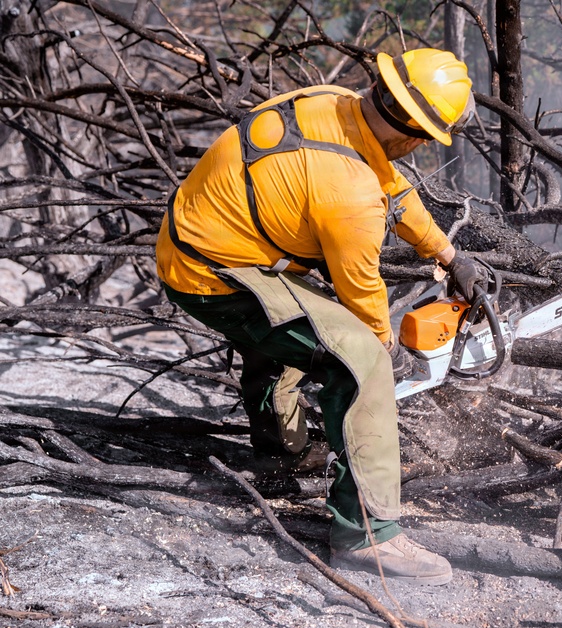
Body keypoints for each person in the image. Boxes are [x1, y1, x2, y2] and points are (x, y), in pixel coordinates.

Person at [155, 48, 486, 586]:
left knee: (302, 322)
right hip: (210, 276)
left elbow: (394, 189)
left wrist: (447, 256)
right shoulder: (350, 195)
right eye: (426, 139)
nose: (421, 149)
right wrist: (387, 360)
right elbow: (363, 295)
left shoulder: (336, 105)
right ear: (414, 134)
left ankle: (280, 451)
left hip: (195, 244)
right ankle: (368, 536)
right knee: (359, 362)